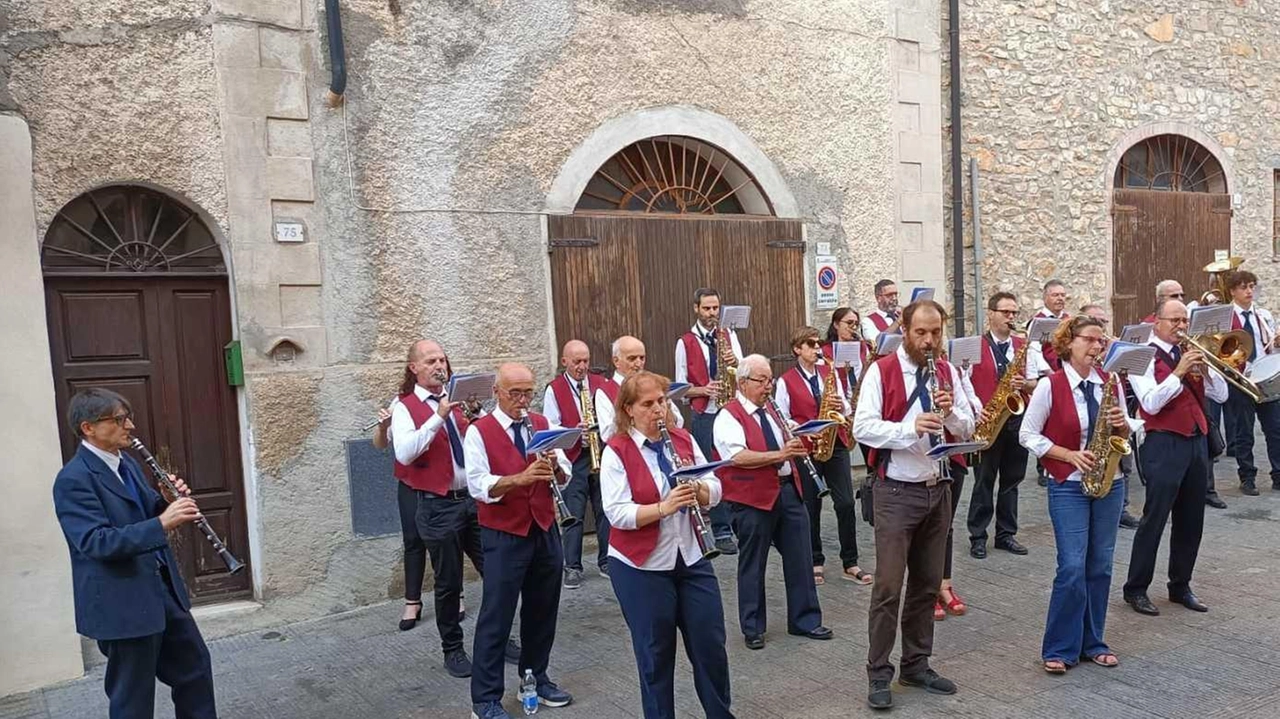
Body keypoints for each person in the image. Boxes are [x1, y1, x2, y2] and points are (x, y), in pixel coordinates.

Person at [52, 388, 217, 719]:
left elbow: (144, 510)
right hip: (122, 604)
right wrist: (162, 523)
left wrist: (168, 502)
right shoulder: (73, 480)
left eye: (127, 417)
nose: (131, 425)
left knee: (195, 670)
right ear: (89, 428)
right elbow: (96, 542)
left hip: (161, 592)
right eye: (119, 419)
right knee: (134, 699)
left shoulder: (125, 462)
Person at [853, 300, 972, 710]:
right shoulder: (881, 371)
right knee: (888, 586)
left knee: (926, 584)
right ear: (904, 329)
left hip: (938, 487)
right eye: (921, 332)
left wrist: (950, 412)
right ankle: (878, 673)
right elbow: (862, 427)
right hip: (896, 491)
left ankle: (916, 664)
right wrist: (910, 427)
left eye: (936, 333)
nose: (929, 341)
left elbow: (969, 425)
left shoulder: (948, 371)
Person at [601, 371, 734, 719]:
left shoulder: (684, 438)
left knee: (710, 648)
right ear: (629, 409)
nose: (658, 410)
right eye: (648, 404)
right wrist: (664, 506)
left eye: (662, 401)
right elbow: (617, 512)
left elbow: (715, 484)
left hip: (691, 555)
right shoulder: (617, 450)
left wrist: (702, 491)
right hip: (640, 566)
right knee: (656, 655)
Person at [1019, 315, 1133, 674]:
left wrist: (1123, 424)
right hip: (1068, 484)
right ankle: (1059, 646)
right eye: (1091, 340)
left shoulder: (1109, 382)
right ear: (1070, 343)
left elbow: (1131, 431)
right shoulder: (1049, 386)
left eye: (1101, 342)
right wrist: (1066, 454)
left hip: (1109, 483)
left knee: (1099, 566)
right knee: (1071, 566)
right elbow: (1027, 434)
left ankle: (1093, 641)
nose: (1098, 348)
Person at [465, 363, 574, 719]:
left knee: (543, 610)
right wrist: (520, 478)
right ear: (497, 391)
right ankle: (485, 699)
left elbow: (566, 470)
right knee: (497, 615)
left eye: (528, 392)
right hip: (504, 532)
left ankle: (535, 678)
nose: (523, 401)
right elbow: (479, 485)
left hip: (543, 527)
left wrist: (557, 469)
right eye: (515, 393)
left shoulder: (540, 424)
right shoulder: (479, 432)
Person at [713, 354, 832, 651]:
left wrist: (811, 431)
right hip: (751, 498)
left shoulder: (774, 412)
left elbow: (793, 432)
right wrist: (780, 455)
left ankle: (805, 620)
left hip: (787, 490)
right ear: (742, 383)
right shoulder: (728, 416)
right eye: (762, 381)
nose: (768, 386)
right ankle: (753, 627)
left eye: (770, 380)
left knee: (801, 556)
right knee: (753, 562)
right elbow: (737, 456)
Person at [389, 340, 489, 677]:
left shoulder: (460, 400)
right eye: (431, 360)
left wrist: (478, 415)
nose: (439, 365)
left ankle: (498, 640)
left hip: (473, 501)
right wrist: (437, 418)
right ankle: (453, 649)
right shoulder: (405, 407)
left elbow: (484, 441)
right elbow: (404, 453)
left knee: (497, 573)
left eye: (443, 359)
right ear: (414, 367)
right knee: (448, 583)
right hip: (437, 506)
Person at [1124, 298, 1225, 617]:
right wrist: (1179, 373)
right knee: (1154, 517)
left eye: (1185, 320)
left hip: (1196, 440)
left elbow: (1221, 395)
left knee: (1192, 518)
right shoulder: (1139, 354)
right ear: (1156, 321)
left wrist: (1207, 373)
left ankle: (1180, 584)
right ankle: (1136, 588)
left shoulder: (1191, 350)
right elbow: (1150, 403)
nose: (1182, 326)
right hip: (1163, 441)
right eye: (1175, 320)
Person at [775, 325, 871, 586]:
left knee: (846, 504)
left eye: (818, 344)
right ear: (798, 349)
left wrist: (843, 406)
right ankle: (815, 560)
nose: (818, 349)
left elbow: (847, 406)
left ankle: (850, 561)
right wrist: (803, 429)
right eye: (811, 344)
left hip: (835, 444)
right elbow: (782, 418)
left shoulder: (829, 372)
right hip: (807, 449)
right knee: (811, 507)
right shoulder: (785, 381)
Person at [675, 288, 744, 555]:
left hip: (730, 410)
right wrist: (703, 389)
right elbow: (679, 388)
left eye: (715, 308)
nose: (712, 314)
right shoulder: (686, 342)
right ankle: (721, 529)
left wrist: (735, 362)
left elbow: (743, 371)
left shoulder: (729, 335)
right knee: (711, 469)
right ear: (696, 309)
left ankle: (738, 522)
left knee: (734, 464)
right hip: (705, 412)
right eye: (707, 309)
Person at [966, 292, 1034, 560]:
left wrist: (1026, 384)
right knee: (984, 481)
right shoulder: (974, 345)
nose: (1010, 317)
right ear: (991, 313)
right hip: (989, 421)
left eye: (1014, 313)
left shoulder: (1024, 345)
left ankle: (1006, 534)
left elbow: (1041, 382)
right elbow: (963, 383)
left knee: (1012, 481)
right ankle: (978, 536)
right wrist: (975, 412)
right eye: (1006, 312)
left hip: (1016, 420)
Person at [543, 339, 612, 589]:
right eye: (576, 362)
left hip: (600, 453)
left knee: (605, 509)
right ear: (564, 362)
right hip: (574, 458)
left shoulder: (600, 384)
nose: (582, 367)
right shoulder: (555, 389)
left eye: (585, 361)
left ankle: (606, 561)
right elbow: (552, 426)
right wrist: (575, 432)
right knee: (573, 512)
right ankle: (572, 566)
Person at [1220, 270, 1280, 496]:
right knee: (1244, 432)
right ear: (1233, 291)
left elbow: (1270, 346)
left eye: (1252, 286)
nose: (1249, 291)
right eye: (1244, 287)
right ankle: (1247, 476)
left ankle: (1278, 474)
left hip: (1264, 379)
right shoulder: (1227, 317)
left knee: (1275, 429)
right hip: (1241, 380)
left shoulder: (1262, 315)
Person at [599, 335, 682, 441]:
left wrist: (666, 410)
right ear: (616, 361)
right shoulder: (604, 391)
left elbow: (678, 422)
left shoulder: (654, 383)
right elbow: (607, 435)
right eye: (632, 358)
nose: (638, 364)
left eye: (642, 358)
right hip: (628, 451)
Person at [1028, 279, 1070, 486]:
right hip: (1049, 375)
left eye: (1063, 295)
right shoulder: (1038, 321)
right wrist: (1050, 372)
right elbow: (1034, 350)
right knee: (1047, 418)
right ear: (1045, 297)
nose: (1060, 298)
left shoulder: (1070, 320)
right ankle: (1043, 464)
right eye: (1055, 295)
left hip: (1069, 374)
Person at [861, 280, 901, 345]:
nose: (894, 298)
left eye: (896, 294)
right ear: (878, 298)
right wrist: (899, 321)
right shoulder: (868, 321)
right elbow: (877, 344)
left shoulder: (900, 316)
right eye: (889, 295)